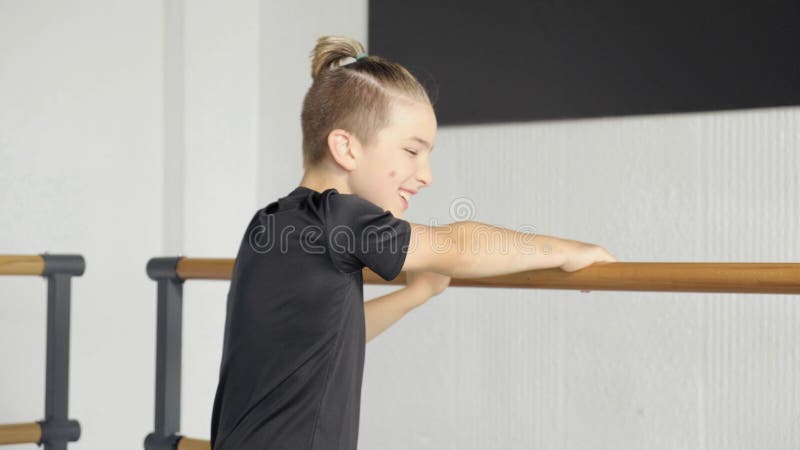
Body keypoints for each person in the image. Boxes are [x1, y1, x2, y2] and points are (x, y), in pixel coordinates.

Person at [209, 35, 617, 450]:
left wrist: (414, 295)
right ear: (346, 147)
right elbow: (461, 245)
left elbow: (327, 339)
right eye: (411, 151)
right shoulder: (338, 217)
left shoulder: (272, 224)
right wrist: (570, 252)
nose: (426, 174)